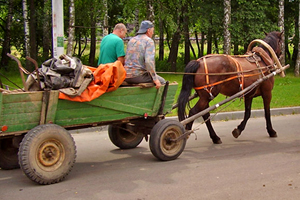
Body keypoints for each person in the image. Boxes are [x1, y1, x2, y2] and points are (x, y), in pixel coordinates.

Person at [124, 20, 166, 89]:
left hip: (126, 75)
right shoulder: (149, 41)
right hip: (138, 76)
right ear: (148, 30)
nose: (152, 33)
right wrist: (155, 79)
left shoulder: (132, 40)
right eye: (152, 30)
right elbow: (149, 62)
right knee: (162, 82)